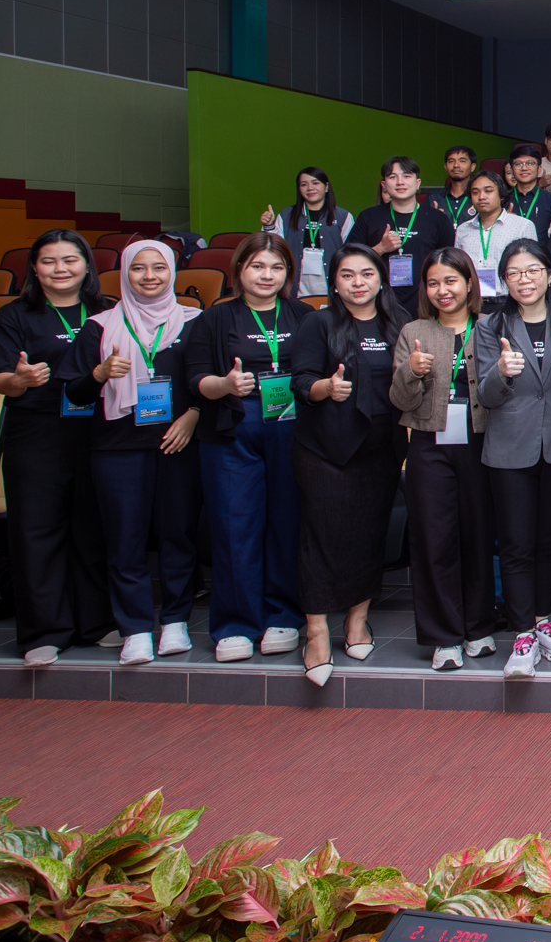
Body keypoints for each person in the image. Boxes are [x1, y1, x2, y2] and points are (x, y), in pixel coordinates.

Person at [56, 240, 202, 667]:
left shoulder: (195, 322)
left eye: (159, 267)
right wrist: (99, 373)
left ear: (172, 272)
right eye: (138, 268)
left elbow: (208, 379)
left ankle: (175, 621)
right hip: (116, 447)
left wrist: (193, 415)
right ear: (124, 273)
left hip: (178, 443)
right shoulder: (99, 327)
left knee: (178, 535)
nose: (149, 276)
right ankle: (135, 629)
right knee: (124, 539)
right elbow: (74, 392)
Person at [0, 231, 112, 666]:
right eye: (49, 261)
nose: (60, 269)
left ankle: (96, 623)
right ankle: (44, 631)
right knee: (37, 530)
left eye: (70, 260)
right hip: (37, 432)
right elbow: (0, 379)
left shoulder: (108, 310)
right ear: (34, 269)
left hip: (98, 430)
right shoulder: (14, 315)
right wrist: (19, 380)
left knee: (93, 527)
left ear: (86, 265)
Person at [186, 232, 311, 663]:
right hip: (232, 428)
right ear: (239, 269)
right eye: (257, 266)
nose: (266, 275)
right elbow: (195, 378)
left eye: (276, 267)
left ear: (288, 273)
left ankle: (283, 616)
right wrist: (223, 385)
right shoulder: (214, 318)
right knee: (234, 524)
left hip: (292, 427)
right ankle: (235, 623)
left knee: (287, 522)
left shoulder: (303, 315)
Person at [288, 244, 407, 686]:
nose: (358, 282)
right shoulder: (317, 323)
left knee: (368, 536)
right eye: (347, 275)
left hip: (381, 450)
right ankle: (317, 630)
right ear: (334, 283)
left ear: (381, 279)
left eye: (366, 274)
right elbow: (301, 381)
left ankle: (358, 620)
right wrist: (327, 388)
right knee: (322, 537)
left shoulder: (399, 322)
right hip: (325, 450)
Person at [473, 238, 551, 679]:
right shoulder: (490, 325)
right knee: (516, 543)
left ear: (548, 273)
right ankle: (522, 633)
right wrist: (500, 373)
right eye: (514, 272)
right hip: (509, 449)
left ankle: (542, 622)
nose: (525, 280)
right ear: (504, 279)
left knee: (550, 541)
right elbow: (485, 395)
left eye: (533, 270)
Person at [391, 247, 495, 672]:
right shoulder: (413, 331)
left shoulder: (490, 327)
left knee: (478, 535)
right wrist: (411, 371)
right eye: (433, 283)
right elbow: (400, 400)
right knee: (434, 539)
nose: (442, 290)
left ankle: (478, 627)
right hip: (428, 445)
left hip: (482, 443)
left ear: (469, 283)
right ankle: (443, 636)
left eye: (450, 281)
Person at [352, 156, 454, 312]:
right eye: (393, 177)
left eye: (406, 176)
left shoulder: (438, 219)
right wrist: (380, 248)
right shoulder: (368, 217)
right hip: (378, 302)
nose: (400, 182)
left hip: (425, 302)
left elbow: (449, 264)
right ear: (384, 185)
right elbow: (349, 261)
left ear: (418, 183)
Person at [261, 167, 353, 297]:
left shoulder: (343, 216)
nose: (310, 188)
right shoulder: (287, 215)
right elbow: (275, 248)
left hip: (331, 282)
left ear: (326, 187)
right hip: (297, 282)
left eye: (315, 183)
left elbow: (351, 251)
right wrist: (269, 225)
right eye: (303, 184)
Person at [456, 171, 537, 299]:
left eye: (488, 191)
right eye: (475, 192)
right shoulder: (463, 230)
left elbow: (533, 269)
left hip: (509, 300)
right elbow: (457, 269)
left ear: (501, 195)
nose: (481, 197)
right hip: (472, 301)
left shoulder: (522, 226)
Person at [504, 146, 551, 244]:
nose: (524, 168)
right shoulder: (503, 200)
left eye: (530, 163)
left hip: (541, 253)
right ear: (512, 169)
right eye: (518, 164)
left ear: (539, 169)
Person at [430, 145, 477, 226]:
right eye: (451, 161)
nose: (456, 165)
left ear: (472, 167)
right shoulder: (434, 198)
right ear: (445, 167)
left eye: (462, 161)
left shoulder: (479, 197)